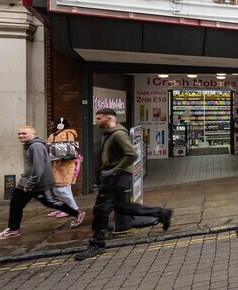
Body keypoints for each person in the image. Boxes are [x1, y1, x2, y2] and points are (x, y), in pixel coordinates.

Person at [74, 109, 173, 261]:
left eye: (99, 118)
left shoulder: (118, 134)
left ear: (109, 118)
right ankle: (161, 213)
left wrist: (114, 170)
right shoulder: (109, 133)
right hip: (114, 175)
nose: (97, 120)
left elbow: (132, 154)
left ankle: (97, 244)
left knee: (101, 210)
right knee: (123, 207)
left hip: (115, 176)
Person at [0, 126, 85, 240]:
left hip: (39, 183)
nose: (21, 136)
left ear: (32, 134)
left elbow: (39, 167)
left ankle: (77, 213)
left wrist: (31, 183)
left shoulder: (35, 146)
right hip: (28, 182)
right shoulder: (28, 145)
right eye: (19, 134)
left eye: (24, 134)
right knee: (16, 203)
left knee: (50, 202)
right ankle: (13, 229)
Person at [46, 117, 80, 218]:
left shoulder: (67, 133)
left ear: (60, 125)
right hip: (56, 164)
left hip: (65, 165)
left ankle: (72, 209)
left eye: (54, 124)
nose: (52, 126)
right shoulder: (53, 135)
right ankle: (62, 208)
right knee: (57, 189)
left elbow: (69, 149)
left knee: (64, 189)